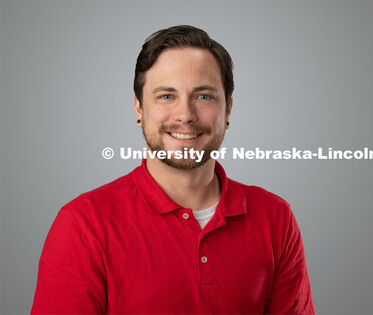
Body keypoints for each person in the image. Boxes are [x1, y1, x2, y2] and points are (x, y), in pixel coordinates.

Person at [31, 25, 315, 314]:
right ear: (139, 109)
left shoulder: (276, 218)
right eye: (167, 96)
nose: (185, 115)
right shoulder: (83, 224)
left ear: (228, 110)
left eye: (203, 96)